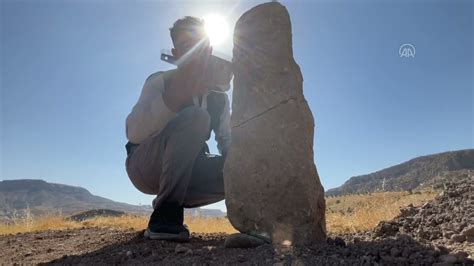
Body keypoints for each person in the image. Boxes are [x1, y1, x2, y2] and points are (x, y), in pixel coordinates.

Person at [124, 16, 231, 242]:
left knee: (241, 169)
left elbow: (228, 142)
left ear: (209, 48)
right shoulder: (160, 81)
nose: (194, 52)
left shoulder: (218, 99)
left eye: (199, 45)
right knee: (196, 117)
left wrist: (243, 172)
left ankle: (258, 217)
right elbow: (133, 133)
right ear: (175, 53)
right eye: (186, 47)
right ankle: (165, 216)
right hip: (144, 166)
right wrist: (174, 97)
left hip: (189, 171)